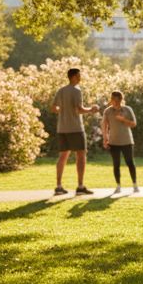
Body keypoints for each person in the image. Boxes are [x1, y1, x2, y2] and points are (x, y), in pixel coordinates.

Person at [51, 67, 99, 195]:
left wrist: (63, 112)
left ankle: (59, 186)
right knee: (81, 155)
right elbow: (79, 109)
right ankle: (80, 186)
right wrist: (91, 110)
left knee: (63, 156)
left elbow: (53, 108)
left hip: (62, 128)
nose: (80, 77)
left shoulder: (60, 90)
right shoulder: (77, 90)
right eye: (78, 75)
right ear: (73, 77)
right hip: (75, 128)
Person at [101, 91, 139, 194]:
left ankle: (135, 185)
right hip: (113, 142)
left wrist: (123, 120)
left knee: (130, 162)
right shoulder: (107, 111)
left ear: (121, 100)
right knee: (116, 164)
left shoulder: (127, 109)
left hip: (127, 141)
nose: (116, 102)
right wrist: (105, 139)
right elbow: (104, 126)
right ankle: (118, 186)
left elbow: (134, 124)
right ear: (111, 100)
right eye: (114, 100)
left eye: (118, 100)